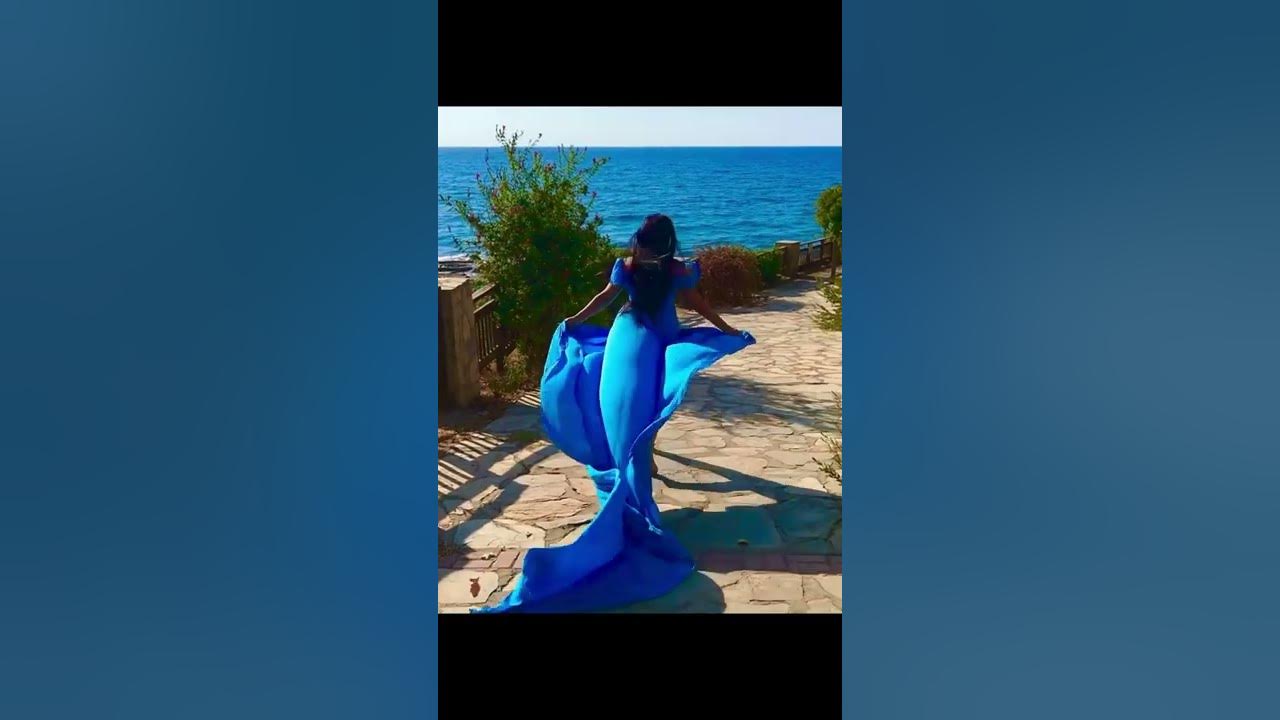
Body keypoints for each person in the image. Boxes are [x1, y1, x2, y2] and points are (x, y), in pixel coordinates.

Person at [473, 214, 756, 613]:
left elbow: (683, 302)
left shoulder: (665, 270)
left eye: (644, 241)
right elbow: (615, 297)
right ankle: (635, 471)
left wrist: (725, 328)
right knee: (631, 403)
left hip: (653, 337)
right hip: (632, 336)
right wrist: (575, 320)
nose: (640, 246)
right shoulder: (643, 268)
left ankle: (643, 454)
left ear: (651, 242)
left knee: (653, 402)